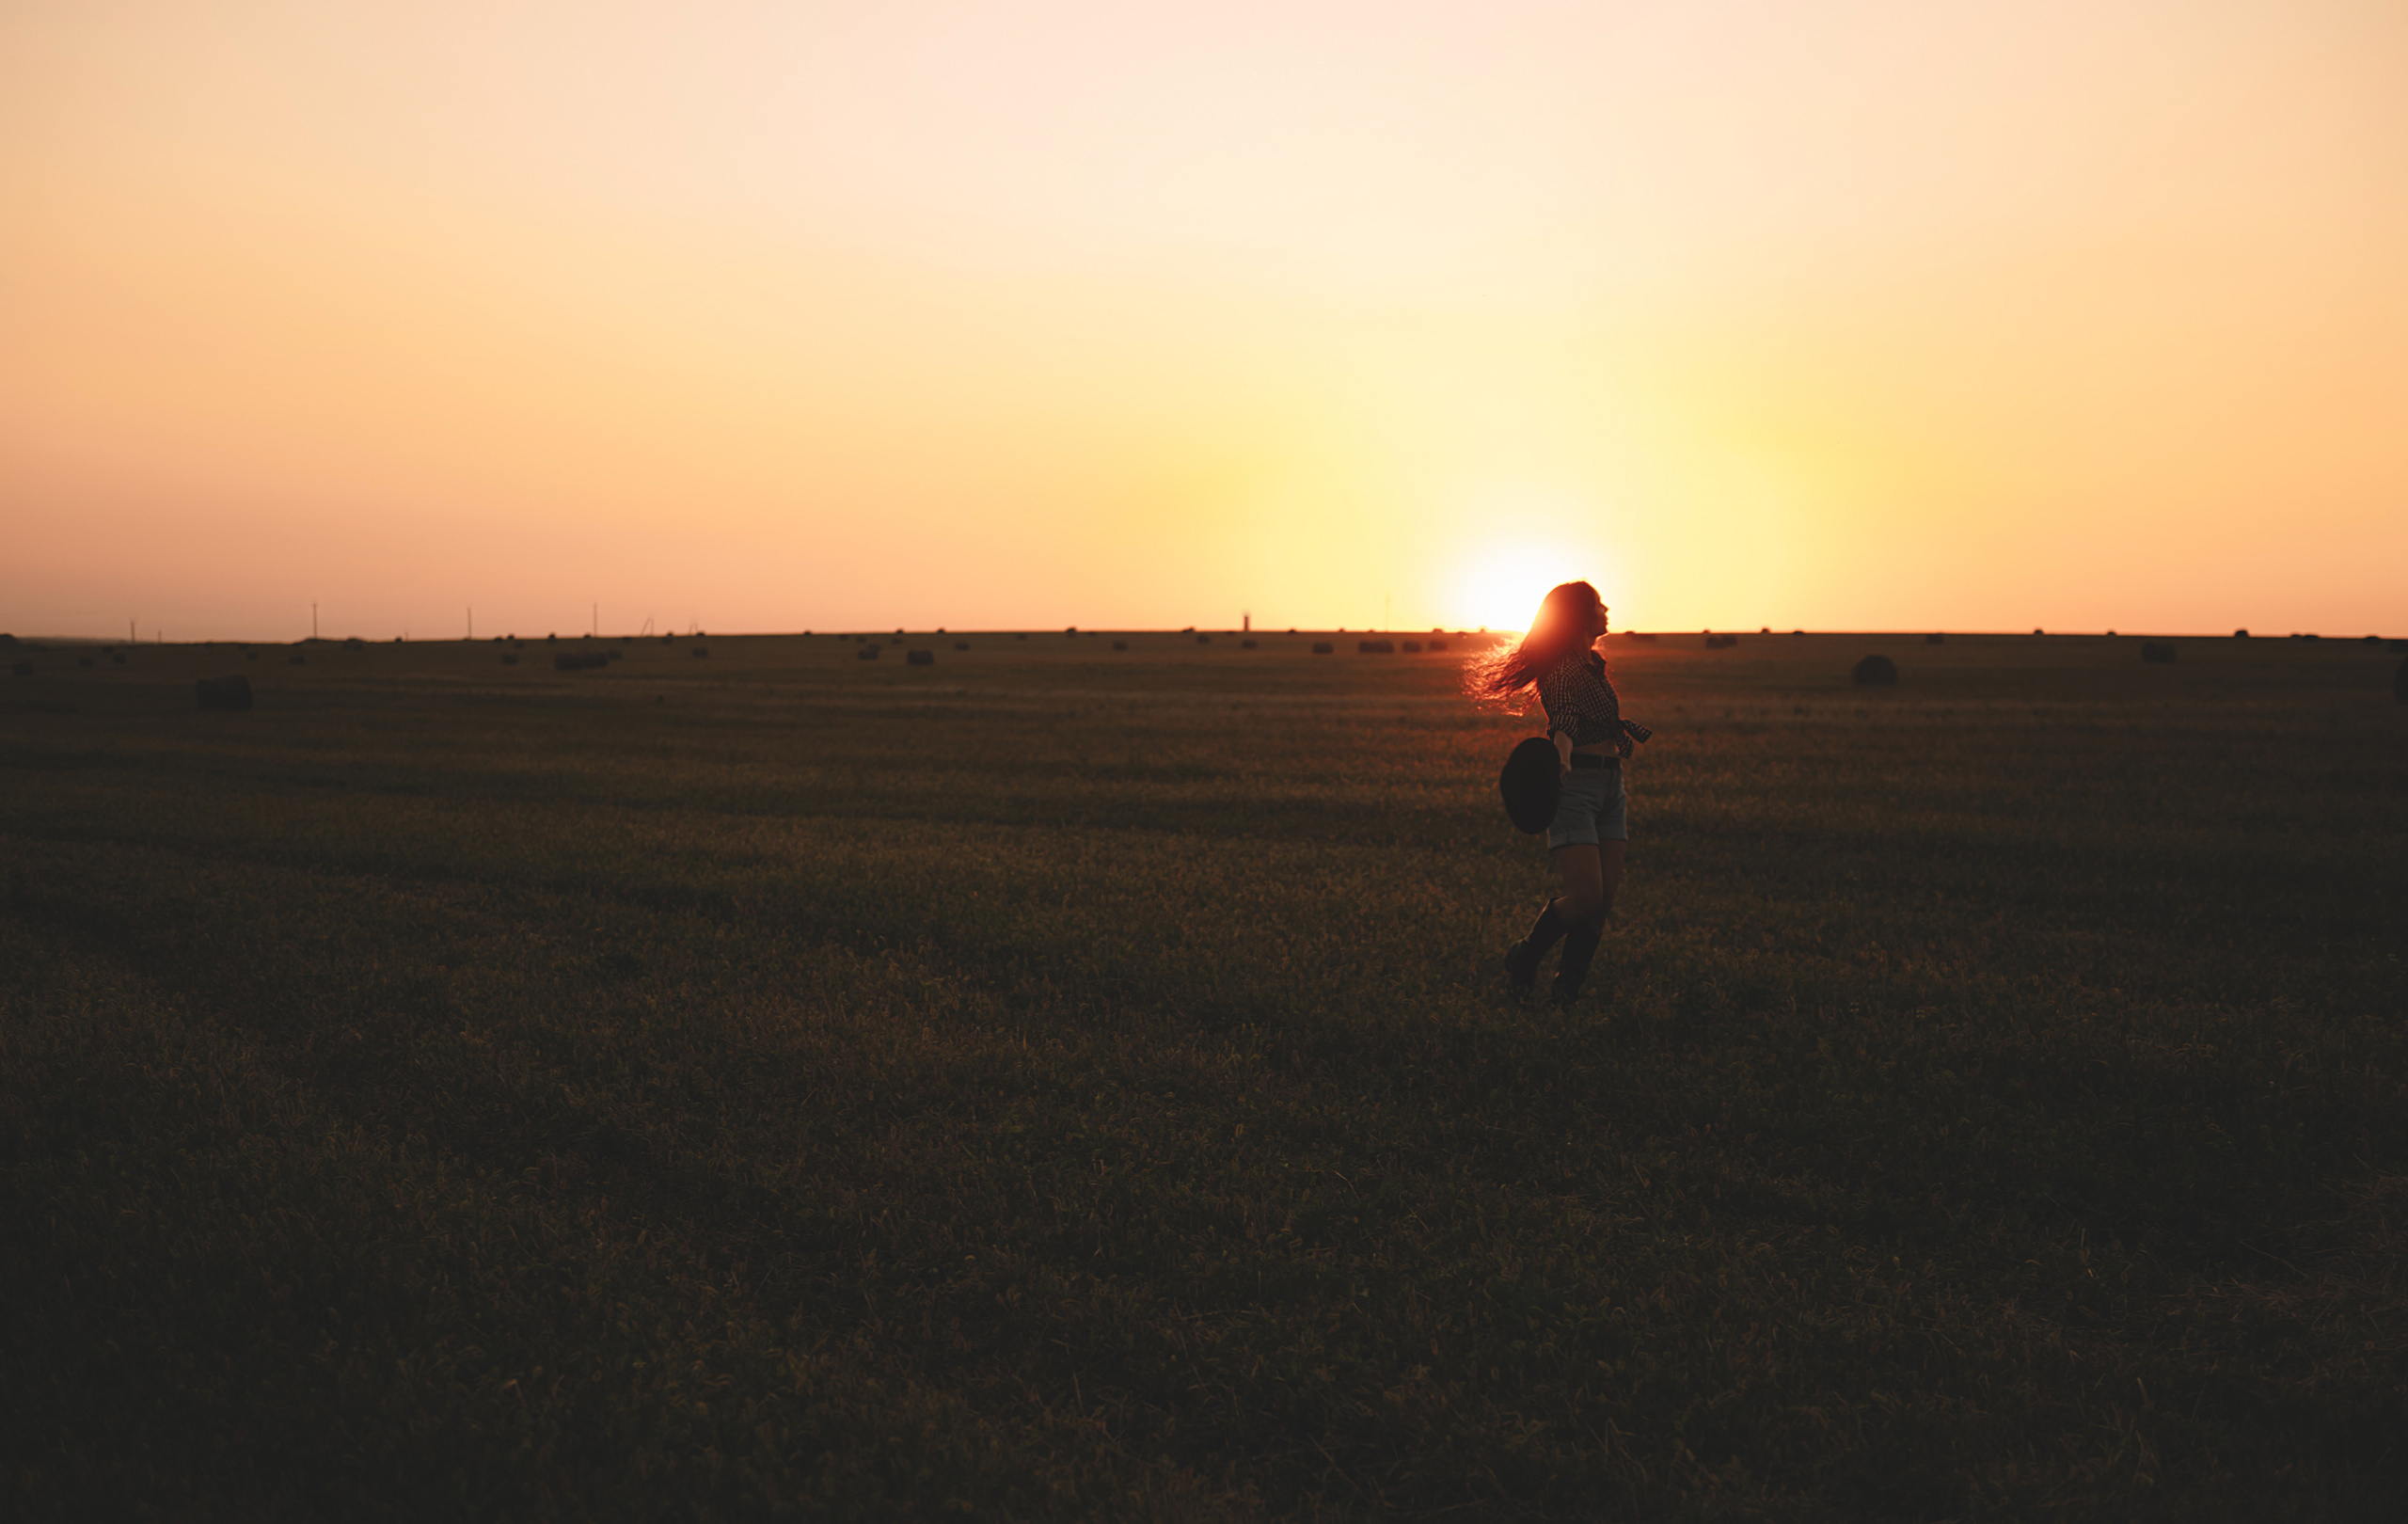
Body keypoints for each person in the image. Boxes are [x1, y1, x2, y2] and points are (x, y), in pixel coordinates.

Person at [1466, 581, 1651, 1006]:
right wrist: (1562, 759)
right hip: (1576, 787)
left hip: (1611, 787)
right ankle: (1525, 956)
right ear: (1580, 616)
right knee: (1586, 897)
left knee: (1601, 903)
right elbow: (1562, 723)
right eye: (1598, 604)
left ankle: (1567, 991)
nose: (1606, 610)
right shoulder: (1564, 672)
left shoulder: (1592, 665)